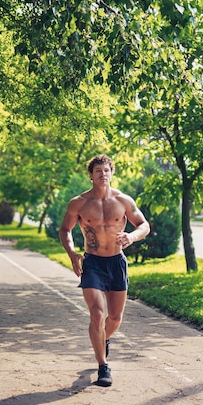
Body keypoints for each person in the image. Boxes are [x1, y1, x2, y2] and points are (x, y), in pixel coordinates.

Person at [59, 154, 150, 387]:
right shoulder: (78, 203)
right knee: (98, 315)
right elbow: (65, 230)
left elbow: (144, 225)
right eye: (98, 171)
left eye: (107, 170)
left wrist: (132, 236)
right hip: (92, 263)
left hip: (116, 262)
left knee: (115, 317)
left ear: (112, 173)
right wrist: (72, 254)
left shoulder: (123, 200)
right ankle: (103, 366)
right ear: (90, 175)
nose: (103, 174)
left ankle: (103, 338)